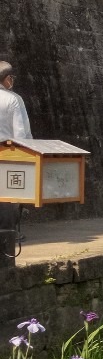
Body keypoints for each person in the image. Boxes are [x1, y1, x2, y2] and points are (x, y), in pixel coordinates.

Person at [0, 61, 31, 260]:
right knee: (8, 199)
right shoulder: (12, 99)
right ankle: (7, 239)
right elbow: (21, 134)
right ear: (7, 79)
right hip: (6, 155)